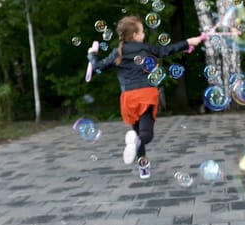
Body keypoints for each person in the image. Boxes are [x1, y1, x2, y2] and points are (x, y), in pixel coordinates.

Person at [87, 15, 204, 179]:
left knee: (136, 134)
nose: (144, 34)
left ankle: (143, 165)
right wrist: (188, 42)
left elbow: (97, 68)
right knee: (145, 134)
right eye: (142, 31)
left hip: (129, 98)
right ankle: (137, 148)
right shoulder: (146, 49)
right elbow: (166, 50)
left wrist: (92, 55)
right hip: (146, 95)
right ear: (134, 35)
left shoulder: (117, 53)